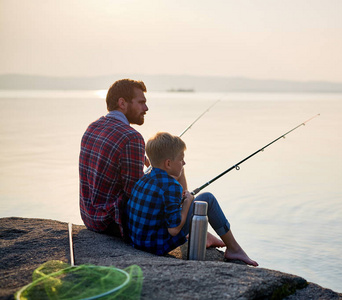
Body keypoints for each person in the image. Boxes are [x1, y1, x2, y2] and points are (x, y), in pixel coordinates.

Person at [126, 132, 258, 266]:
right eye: (181, 159)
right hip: (156, 245)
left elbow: (178, 198)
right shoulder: (171, 186)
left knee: (189, 203)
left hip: (138, 240)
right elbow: (174, 229)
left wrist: (180, 171)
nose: (184, 162)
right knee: (207, 198)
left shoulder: (145, 178)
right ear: (168, 163)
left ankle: (205, 235)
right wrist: (188, 202)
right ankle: (234, 249)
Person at [79, 79, 149, 238]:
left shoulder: (93, 126)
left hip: (89, 217)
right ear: (122, 103)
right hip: (111, 223)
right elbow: (136, 194)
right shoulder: (132, 138)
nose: (146, 108)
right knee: (185, 199)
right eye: (141, 102)